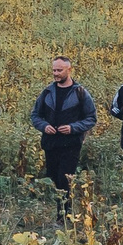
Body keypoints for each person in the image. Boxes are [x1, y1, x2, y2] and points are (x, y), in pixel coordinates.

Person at [28, 55, 97, 223]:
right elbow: (35, 115)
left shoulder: (80, 93)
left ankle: (63, 217)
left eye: (59, 70)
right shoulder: (47, 92)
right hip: (50, 144)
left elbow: (91, 118)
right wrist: (44, 126)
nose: (56, 74)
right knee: (53, 177)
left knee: (65, 180)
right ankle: (62, 213)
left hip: (71, 145)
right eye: (54, 70)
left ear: (69, 70)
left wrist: (73, 128)